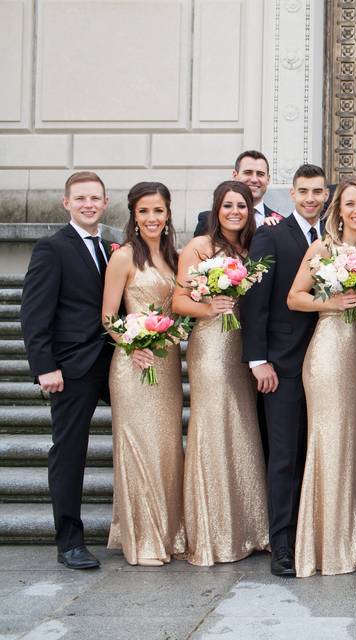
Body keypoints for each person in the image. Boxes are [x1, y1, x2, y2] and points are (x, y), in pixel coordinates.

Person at [173, 181, 269, 566]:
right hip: (212, 347)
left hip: (246, 347)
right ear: (216, 208)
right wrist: (210, 306)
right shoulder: (199, 247)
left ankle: (248, 527)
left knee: (243, 429)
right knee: (212, 429)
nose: (234, 211)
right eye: (227, 205)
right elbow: (179, 299)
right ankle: (214, 532)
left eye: (241, 206)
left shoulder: (255, 247)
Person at [21, 171, 113, 569]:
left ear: (105, 203)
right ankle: (69, 541)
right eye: (81, 199)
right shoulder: (51, 248)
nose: (88, 204)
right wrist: (45, 367)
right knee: (70, 452)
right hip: (71, 368)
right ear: (66, 203)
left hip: (113, 361)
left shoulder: (112, 248)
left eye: (95, 198)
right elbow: (33, 313)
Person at [287, 177, 356, 577]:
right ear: (337, 208)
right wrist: (333, 301)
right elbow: (295, 296)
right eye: (350, 203)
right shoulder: (323, 247)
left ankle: (350, 537)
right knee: (329, 441)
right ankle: (324, 546)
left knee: (355, 445)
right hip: (328, 353)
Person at [241, 164, 326, 576]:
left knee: (316, 453)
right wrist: (259, 360)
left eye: (317, 192)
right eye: (304, 191)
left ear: (326, 195)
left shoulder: (336, 239)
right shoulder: (270, 235)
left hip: (328, 364)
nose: (311, 198)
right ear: (291, 194)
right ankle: (283, 544)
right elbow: (254, 302)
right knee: (285, 457)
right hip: (284, 365)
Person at [101, 182, 185, 566]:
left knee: (166, 450)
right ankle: (143, 540)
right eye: (145, 212)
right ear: (133, 216)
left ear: (168, 215)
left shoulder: (173, 257)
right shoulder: (124, 257)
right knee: (138, 450)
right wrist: (132, 346)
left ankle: (167, 534)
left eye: (159, 211)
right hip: (133, 364)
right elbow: (108, 316)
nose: (152, 218)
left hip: (166, 365)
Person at [193, 150, 281, 237]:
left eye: (260, 174)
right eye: (248, 173)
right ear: (235, 176)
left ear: (268, 179)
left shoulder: (280, 222)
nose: (254, 179)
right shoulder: (208, 220)